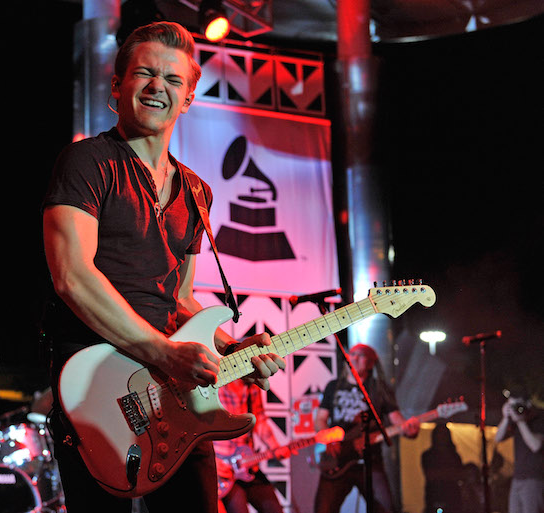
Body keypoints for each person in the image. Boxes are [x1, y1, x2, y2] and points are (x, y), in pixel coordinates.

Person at [42, 21, 285, 513]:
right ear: (117, 85)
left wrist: (232, 347)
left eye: (173, 80)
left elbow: (180, 300)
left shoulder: (197, 191)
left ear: (190, 97)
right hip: (97, 387)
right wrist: (163, 352)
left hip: (173, 397)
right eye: (145, 74)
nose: (158, 87)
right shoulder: (86, 162)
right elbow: (72, 276)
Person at [313, 343, 420, 513]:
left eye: (360, 355)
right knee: (323, 509)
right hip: (337, 459)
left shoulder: (379, 388)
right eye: (352, 354)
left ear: (371, 363)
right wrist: (329, 439)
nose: (354, 358)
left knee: (384, 508)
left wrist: (408, 429)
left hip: (370, 460)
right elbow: (320, 419)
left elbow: (396, 420)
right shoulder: (333, 386)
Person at [214, 380, 287, 513]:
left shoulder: (252, 385)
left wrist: (275, 447)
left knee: (274, 508)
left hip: (247, 463)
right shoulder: (216, 385)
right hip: (223, 468)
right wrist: (214, 462)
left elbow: (258, 419)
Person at [494, 388, 544, 513]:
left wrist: (520, 422)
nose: (515, 408)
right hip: (517, 479)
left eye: (517, 405)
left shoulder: (540, 418)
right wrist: (506, 418)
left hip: (534, 479)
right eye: (511, 405)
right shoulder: (515, 422)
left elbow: (535, 445)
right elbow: (498, 438)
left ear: (527, 404)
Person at [420, 423, 465, 513]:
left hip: (453, 498)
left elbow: (460, 475)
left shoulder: (455, 456)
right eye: (440, 434)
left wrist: (443, 474)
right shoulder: (428, 455)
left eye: (444, 434)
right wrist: (449, 473)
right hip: (434, 496)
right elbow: (430, 475)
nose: (442, 437)